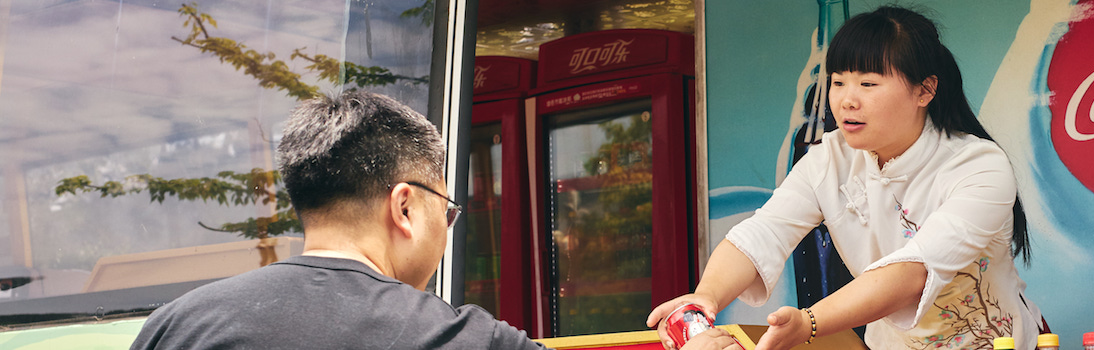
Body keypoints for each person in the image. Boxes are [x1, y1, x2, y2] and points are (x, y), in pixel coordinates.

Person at [131, 92, 739, 350]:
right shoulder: (451, 337)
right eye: (447, 211)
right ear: (404, 207)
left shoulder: (177, 325)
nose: (448, 230)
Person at [647, 6, 1044, 350]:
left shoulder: (978, 165)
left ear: (925, 91)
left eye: (868, 84)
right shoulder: (829, 158)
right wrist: (703, 300)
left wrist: (809, 323)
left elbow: (914, 271)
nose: (847, 99)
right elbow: (763, 232)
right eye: (838, 81)